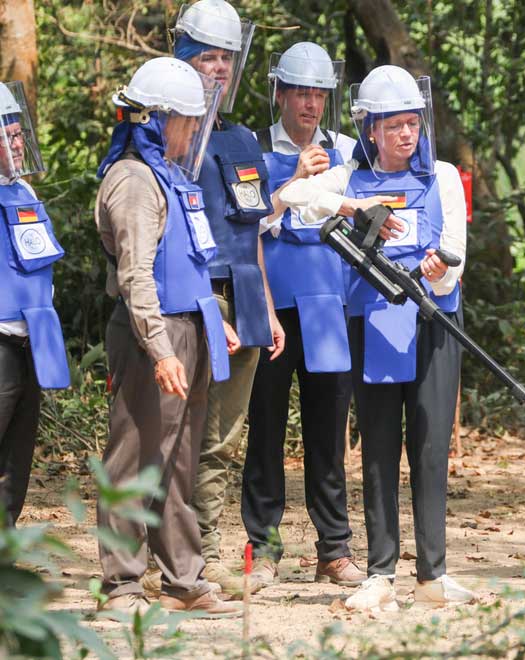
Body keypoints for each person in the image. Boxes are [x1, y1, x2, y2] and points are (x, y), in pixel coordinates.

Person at [280, 64, 471, 610]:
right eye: (393, 126)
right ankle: (380, 573)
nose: (406, 135)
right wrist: (351, 206)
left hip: (434, 321)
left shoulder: (443, 175)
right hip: (374, 322)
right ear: (371, 130)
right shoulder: (349, 175)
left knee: (430, 447)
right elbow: (293, 195)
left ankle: (433, 575)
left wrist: (440, 270)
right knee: (380, 446)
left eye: (412, 123)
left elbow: (456, 251)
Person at [94, 57, 241, 617]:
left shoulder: (173, 176)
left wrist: (213, 320)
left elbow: (188, 259)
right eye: (187, 120)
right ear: (156, 119)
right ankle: (121, 585)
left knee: (178, 460)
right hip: (150, 335)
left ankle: (183, 578)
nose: (193, 131)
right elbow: (136, 275)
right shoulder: (134, 180)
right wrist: (158, 349)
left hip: (190, 329)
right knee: (135, 458)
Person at [172, 0, 286, 596]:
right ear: (184, 59)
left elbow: (253, 230)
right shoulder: (169, 136)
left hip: (244, 297)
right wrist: (205, 310)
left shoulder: (241, 140)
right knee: (187, 432)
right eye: (208, 57)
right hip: (197, 301)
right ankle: (183, 557)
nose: (219, 68)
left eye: (226, 59)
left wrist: (266, 306)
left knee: (225, 436)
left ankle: (207, 550)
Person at [241, 41, 362, 589]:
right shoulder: (254, 147)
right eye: (301, 94)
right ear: (280, 94)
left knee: (328, 433)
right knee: (265, 430)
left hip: (330, 306)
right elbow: (247, 225)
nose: (311, 105)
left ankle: (333, 549)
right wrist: (292, 180)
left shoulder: (347, 149)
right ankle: (263, 550)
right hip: (273, 309)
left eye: (319, 95)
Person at [0, 81, 70, 527]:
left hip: (32, 341)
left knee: (16, 460)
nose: (17, 141)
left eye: (18, 132)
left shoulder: (25, 191)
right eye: (6, 133)